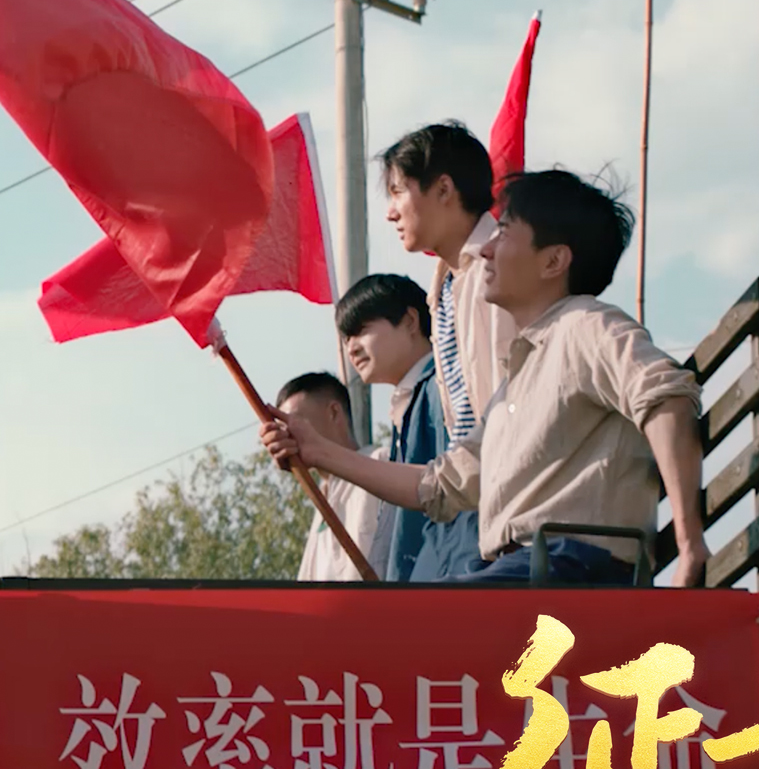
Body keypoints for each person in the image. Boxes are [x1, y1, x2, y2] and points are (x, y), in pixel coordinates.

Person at [263, 170, 714, 588]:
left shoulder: (586, 325)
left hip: (569, 574)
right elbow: (438, 486)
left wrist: (689, 542)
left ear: (554, 261)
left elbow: (666, 396)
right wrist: (317, 450)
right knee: (389, 625)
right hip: (520, 581)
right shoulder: (517, 379)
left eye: (505, 233)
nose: (486, 250)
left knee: (398, 628)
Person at [330, 274, 476, 583]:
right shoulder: (411, 402)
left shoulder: (441, 391)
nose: (351, 348)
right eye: (346, 339)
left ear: (410, 320)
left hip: (452, 579)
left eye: (361, 330)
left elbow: (455, 496)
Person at [379, 122, 513, 448]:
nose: (390, 213)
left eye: (398, 193)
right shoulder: (443, 288)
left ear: (443, 190)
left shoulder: (506, 268)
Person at [274, 373, 379, 581]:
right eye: (283, 428)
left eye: (296, 422)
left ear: (333, 413)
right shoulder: (324, 493)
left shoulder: (379, 464)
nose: (288, 435)